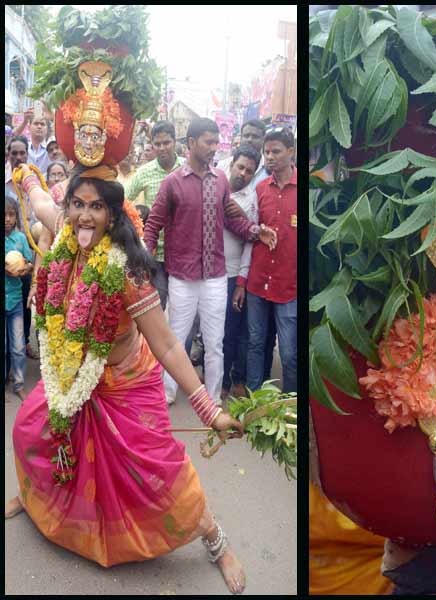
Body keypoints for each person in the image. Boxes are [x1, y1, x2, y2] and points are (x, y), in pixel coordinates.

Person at [7, 162, 248, 593]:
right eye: (78, 204)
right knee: (31, 430)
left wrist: (209, 410)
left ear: (113, 215)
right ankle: (34, 499)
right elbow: (40, 200)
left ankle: (215, 539)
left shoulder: (128, 274)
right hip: (73, 375)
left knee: (159, 471)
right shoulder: (65, 234)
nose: (85, 215)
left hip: (125, 384)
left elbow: (170, 346)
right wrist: (24, 173)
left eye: (96, 207)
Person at [143, 118, 277, 407]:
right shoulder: (172, 183)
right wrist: (142, 263)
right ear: (191, 143)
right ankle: (167, 392)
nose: (215, 148)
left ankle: (212, 398)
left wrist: (256, 231)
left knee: (215, 342)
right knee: (176, 340)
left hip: (216, 276)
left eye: (217, 142)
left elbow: (232, 217)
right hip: (182, 276)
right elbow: (153, 225)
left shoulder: (220, 180)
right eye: (209, 142)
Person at [245, 127, 296, 393]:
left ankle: (290, 406)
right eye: (267, 152)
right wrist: (257, 233)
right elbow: (248, 229)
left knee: (288, 353)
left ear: (291, 152)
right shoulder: (260, 188)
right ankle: (254, 400)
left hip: (289, 286)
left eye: (276, 151)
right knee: (255, 343)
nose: (269, 157)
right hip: (258, 281)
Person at [222, 144, 273, 401]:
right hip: (208, 274)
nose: (243, 173)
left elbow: (249, 245)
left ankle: (232, 380)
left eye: (249, 171)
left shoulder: (250, 200)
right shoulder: (215, 188)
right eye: (240, 167)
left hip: (233, 275)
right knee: (212, 333)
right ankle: (216, 382)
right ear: (231, 165)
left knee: (233, 332)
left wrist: (241, 282)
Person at [123, 121, 185, 309]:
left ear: (175, 142)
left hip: (183, 253)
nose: (162, 148)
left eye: (166, 142)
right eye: (157, 144)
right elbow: (123, 201)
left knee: (183, 310)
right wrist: (137, 220)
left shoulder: (187, 168)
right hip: (155, 252)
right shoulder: (144, 172)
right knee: (157, 306)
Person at [5, 197, 34, 401]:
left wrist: (24, 269)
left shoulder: (21, 239)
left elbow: (30, 263)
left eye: (11, 214)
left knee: (17, 346)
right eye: (4, 215)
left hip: (14, 300)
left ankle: (19, 384)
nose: (7, 219)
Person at [216, 119, 269, 190]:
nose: (250, 140)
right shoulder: (223, 165)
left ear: (263, 140)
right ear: (241, 138)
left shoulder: (268, 170)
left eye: (255, 136)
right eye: (246, 136)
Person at [12, 108, 52, 175]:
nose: (39, 126)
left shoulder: (53, 147)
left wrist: (52, 117)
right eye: (36, 124)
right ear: (29, 127)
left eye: (42, 124)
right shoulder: (23, 147)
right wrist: (24, 122)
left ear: (47, 129)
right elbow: (11, 137)